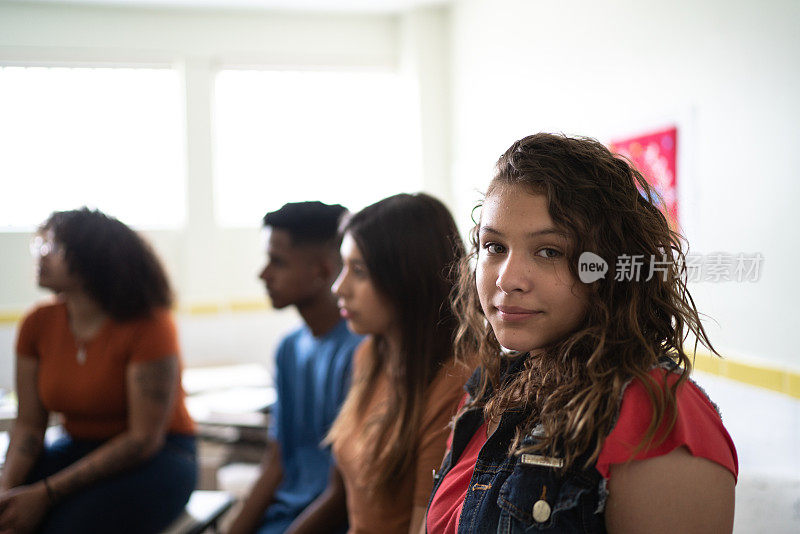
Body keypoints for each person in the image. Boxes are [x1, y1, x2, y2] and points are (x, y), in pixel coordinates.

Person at [425, 133, 738, 533]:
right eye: (494, 246)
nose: (508, 279)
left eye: (549, 251)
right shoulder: (490, 388)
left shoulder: (657, 419)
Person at [0, 208, 197, 534]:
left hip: (160, 456)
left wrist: (46, 494)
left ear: (93, 259)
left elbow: (143, 440)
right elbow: (29, 425)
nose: (41, 256)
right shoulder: (37, 323)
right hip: (78, 447)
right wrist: (6, 491)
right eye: (40, 247)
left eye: (54, 248)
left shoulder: (149, 324)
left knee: (66, 527)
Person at [291, 193, 471, 534]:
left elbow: (424, 525)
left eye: (358, 271)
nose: (338, 288)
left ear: (407, 279)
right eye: (343, 267)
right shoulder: (370, 355)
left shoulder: (455, 381)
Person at [227, 201, 363, 534]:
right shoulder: (288, 349)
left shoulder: (360, 352)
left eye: (277, 261)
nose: (263, 274)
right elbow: (276, 461)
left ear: (321, 271)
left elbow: (341, 492)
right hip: (282, 518)